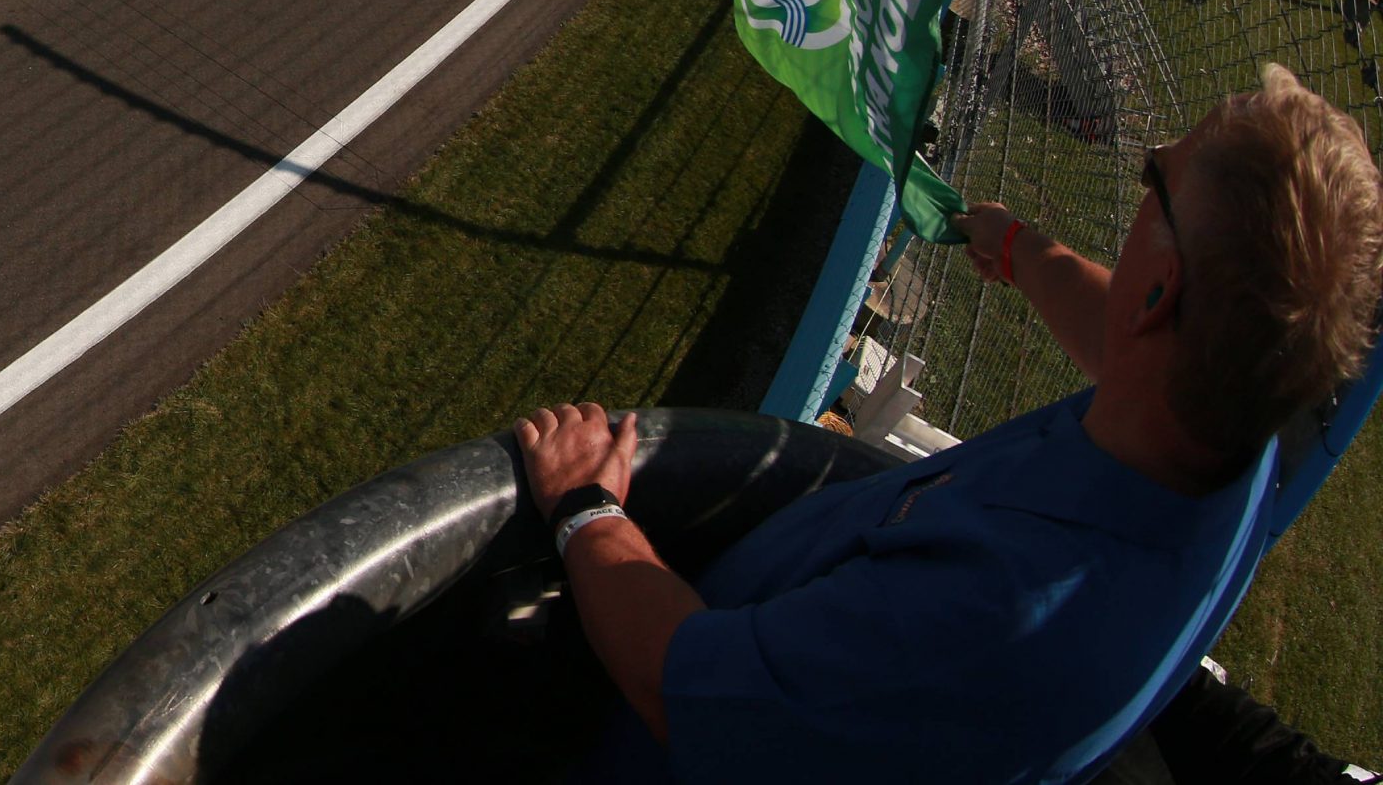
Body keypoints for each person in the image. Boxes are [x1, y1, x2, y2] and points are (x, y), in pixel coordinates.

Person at [521, 63, 1383, 783]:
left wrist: (588, 508)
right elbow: (1127, 333)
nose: (1147, 166)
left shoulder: (998, 615)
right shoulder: (1221, 428)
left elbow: (681, 686)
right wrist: (1023, 255)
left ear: (1162, 293)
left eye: (1158, 173)